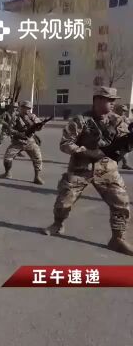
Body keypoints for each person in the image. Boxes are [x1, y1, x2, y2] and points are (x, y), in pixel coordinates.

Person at [43, 86, 133, 256]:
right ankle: (58, 224)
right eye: (110, 100)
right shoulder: (80, 120)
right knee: (63, 203)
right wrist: (85, 151)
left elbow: (123, 144)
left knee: (121, 204)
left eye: (114, 100)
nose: (113, 104)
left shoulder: (118, 121)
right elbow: (65, 143)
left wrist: (125, 146)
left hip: (107, 169)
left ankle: (117, 239)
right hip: (80, 168)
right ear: (97, 100)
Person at [0, 100, 44, 185]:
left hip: (30, 141)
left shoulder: (32, 116)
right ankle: (7, 173)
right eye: (26, 108)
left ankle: (37, 177)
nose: (28, 110)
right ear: (21, 108)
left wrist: (39, 126)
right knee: (7, 158)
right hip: (18, 141)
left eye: (29, 109)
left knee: (38, 158)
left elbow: (38, 126)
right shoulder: (15, 117)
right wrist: (19, 133)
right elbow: (10, 129)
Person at [113, 104, 132, 170]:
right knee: (122, 151)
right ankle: (115, 163)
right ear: (118, 109)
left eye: (125, 111)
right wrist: (124, 130)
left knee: (125, 150)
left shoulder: (124, 117)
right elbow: (114, 128)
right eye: (122, 110)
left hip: (124, 136)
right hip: (117, 136)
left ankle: (124, 164)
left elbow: (128, 125)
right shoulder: (114, 117)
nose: (124, 112)